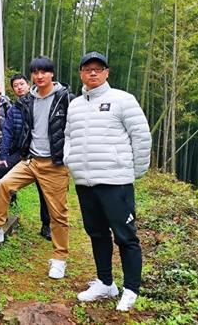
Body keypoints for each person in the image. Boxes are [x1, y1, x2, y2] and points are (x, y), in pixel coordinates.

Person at [64, 51, 151, 311]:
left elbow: (141, 136)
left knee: (125, 236)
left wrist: (134, 171)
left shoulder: (123, 100)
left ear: (106, 72)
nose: (93, 72)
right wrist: (70, 161)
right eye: (87, 68)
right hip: (85, 182)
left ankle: (131, 288)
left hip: (116, 182)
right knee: (97, 233)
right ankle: (105, 282)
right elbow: (68, 136)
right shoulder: (74, 105)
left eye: (98, 68)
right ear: (81, 73)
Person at [0, 56, 74, 281]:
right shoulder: (27, 100)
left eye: (44, 72)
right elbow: (15, 128)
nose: (39, 76)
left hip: (55, 164)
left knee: (58, 214)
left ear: (52, 74)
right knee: (4, 184)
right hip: (31, 160)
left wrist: (70, 155)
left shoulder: (65, 98)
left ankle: (59, 258)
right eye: (35, 72)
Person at [0, 74, 52, 240]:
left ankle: (46, 225)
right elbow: (7, 132)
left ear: (28, 85)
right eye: (15, 85)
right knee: (0, 171)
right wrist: (3, 156)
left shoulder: (39, 103)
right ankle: (2, 211)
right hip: (21, 153)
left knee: (44, 190)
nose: (19, 87)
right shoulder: (13, 109)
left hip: (40, 154)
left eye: (21, 84)